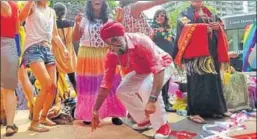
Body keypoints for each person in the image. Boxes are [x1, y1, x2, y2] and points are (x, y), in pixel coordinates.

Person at [91, 21, 173, 139]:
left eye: (114, 40)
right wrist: (95, 110)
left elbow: (158, 70)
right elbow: (106, 83)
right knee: (122, 91)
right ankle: (144, 120)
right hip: (142, 71)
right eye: (108, 43)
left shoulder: (141, 41)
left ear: (122, 35)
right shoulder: (111, 54)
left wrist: (152, 100)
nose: (113, 47)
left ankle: (163, 126)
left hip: (163, 65)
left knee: (147, 88)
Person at [173, 0, 229, 124]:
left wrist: (218, 27)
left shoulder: (211, 14)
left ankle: (216, 109)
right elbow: (184, 31)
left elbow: (221, 25)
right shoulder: (184, 14)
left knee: (213, 81)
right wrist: (205, 29)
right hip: (195, 57)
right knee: (197, 82)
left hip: (211, 53)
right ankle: (195, 112)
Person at [72, 0, 126, 125]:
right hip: (87, 54)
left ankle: (115, 113)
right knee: (89, 85)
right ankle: (88, 113)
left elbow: (118, 35)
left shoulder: (110, 18)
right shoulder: (84, 18)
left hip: (106, 54)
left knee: (112, 83)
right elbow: (75, 38)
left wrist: (119, 21)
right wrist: (76, 24)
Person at [19, 0, 68, 132]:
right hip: (33, 49)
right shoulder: (32, 6)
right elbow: (20, 19)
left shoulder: (51, 12)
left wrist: (63, 48)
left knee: (53, 87)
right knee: (46, 84)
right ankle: (34, 122)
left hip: (48, 49)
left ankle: (43, 117)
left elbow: (55, 35)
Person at [1, 0, 19, 136]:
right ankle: (10, 124)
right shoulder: (12, 4)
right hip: (8, 43)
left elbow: (16, 27)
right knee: (8, 88)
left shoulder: (12, 4)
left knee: (8, 87)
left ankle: (9, 124)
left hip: (8, 42)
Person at [152, 9, 175, 112]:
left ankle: (166, 100)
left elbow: (171, 40)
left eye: (162, 16)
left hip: (169, 56)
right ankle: (162, 103)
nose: (159, 18)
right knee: (161, 80)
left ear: (165, 17)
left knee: (168, 79)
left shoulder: (168, 28)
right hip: (159, 57)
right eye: (157, 16)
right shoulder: (153, 28)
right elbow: (149, 40)